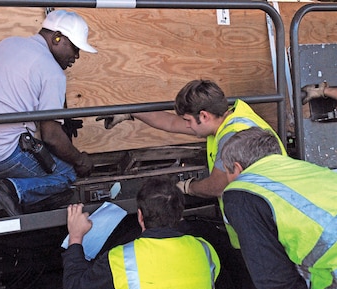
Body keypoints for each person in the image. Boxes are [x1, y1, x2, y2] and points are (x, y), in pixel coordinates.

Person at [97, 79, 286, 248]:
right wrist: (132, 113)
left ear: (204, 116)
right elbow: (170, 123)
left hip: (268, 228)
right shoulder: (229, 118)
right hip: (266, 220)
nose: (185, 125)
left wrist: (187, 187)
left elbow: (217, 186)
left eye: (188, 120)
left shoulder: (233, 136)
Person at [0, 10, 97, 216]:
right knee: (66, 174)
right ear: (57, 38)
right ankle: (11, 190)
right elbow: (52, 137)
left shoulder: (7, 44)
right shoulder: (51, 71)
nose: (76, 56)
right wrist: (80, 160)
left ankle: (11, 192)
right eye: (75, 47)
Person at [220, 127, 337, 289]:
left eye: (226, 172)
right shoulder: (307, 170)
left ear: (237, 168)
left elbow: (272, 276)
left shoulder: (241, 193)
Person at [62, 176, 221, 289]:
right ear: (180, 215)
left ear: (139, 216)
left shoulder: (120, 259)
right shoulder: (204, 249)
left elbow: (75, 284)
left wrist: (76, 236)